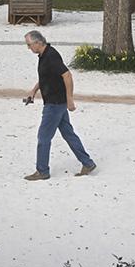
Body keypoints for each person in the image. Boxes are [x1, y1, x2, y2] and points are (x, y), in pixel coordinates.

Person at [23, 30, 96, 181]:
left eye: (29, 44)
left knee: (43, 137)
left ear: (37, 42)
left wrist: (70, 99)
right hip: (56, 103)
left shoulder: (51, 56)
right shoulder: (44, 55)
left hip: (55, 104)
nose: (28, 47)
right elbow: (46, 77)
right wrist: (34, 91)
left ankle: (42, 171)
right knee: (68, 134)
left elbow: (67, 75)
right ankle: (87, 163)